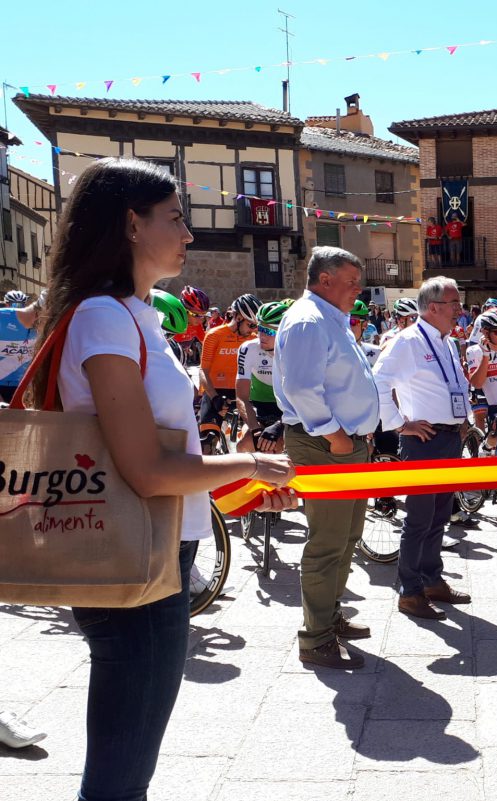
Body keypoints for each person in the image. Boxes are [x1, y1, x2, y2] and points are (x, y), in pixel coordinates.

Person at [27, 158, 294, 799]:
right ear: (130, 225)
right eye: (175, 218)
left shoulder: (134, 315)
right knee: (121, 773)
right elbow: (146, 470)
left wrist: (240, 480)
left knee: (129, 762)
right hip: (133, 563)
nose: (189, 233)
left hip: (157, 553)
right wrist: (252, 463)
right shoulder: (104, 319)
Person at [275, 246, 381, 670]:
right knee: (327, 544)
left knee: (347, 538)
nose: (359, 289)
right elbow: (302, 389)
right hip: (324, 443)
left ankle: (328, 617)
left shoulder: (328, 320)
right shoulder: (307, 321)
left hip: (344, 443)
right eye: (352, 281)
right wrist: (337, 436)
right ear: (325, 280)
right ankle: (315, 638)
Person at [373, 276, 472, 620]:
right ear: (433, 308)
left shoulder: (445, 341)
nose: (459, 310)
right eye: (454, 304)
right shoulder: (408, 342)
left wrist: (464, 420)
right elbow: (379, 382)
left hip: (448, 438)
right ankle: (410, 591)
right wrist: (401, 423)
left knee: (440, 514)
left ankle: (431, 578)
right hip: (423, 441)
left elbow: (455, 384)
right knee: (418, 518)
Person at [235, 300, 291, 453]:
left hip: (289, 410)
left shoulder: (295, 352)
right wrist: (255, 430)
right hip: (260, 408)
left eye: (270, 332)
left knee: (281, 448)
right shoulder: (248, 349)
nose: (262, 336)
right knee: (244, 445)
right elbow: (242, 397)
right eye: (260, 328)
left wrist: (281, 425)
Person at [198, 292, 260, 427]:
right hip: (215, 391)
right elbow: (203, 370)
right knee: (208, 439)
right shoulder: (214, 335)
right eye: (250, 325)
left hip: (242, 393)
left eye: (256, 326)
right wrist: (214, 398)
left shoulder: (254, 339)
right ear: (238, 318)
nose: (253, 330)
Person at [465, 307, 497, 450]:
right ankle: (486, 448)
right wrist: (486, 355)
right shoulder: (474, 351)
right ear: (485, 332)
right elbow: (477, 382)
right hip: (495, 405)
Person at [0, 291, 43, 404]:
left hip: (23, 384)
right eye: (14, 305)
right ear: (7, 304)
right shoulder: (2, 318)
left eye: (20, 305)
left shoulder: (42, 327)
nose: (17, 308)